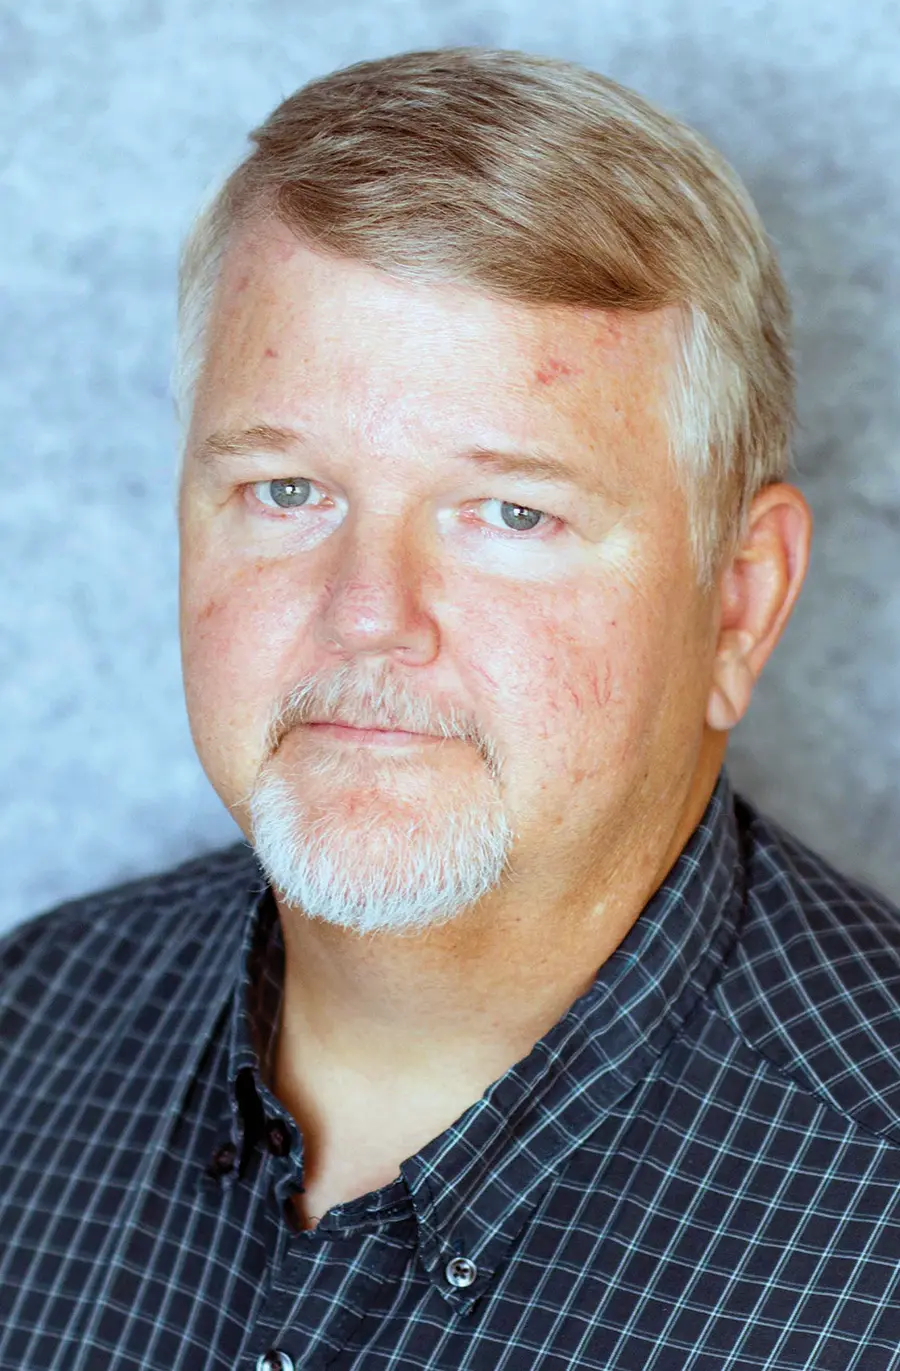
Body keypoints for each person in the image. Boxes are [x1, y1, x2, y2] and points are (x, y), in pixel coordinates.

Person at [2, 44, 898, 1371]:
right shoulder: (29, 1029)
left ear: (738, 603)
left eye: (511, 512)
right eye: (287, 490)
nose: (368, 612)